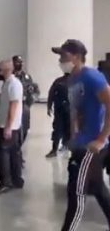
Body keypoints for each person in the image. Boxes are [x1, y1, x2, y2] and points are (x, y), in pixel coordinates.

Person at [51, 39, 110, 231]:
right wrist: (73, 135)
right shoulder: (72, 80)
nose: (61, 60)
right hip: (81, 143)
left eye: (64, 56)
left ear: (76, 57)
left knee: (75, 193)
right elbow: (75, 110)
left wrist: (101, 139)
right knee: (98, 189)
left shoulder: (92, 77)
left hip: (92, 146)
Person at [0, 60, 24, 195]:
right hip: (9, 126)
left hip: (8, 126)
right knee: (13, 154)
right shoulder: (8, 84)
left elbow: (14, 106)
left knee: (2, 154)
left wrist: (8, 126)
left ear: (7, 70)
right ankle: (16, 180)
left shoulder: (14, 84)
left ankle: (5, 182)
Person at [46, 69, 71, 158]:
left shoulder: (77, 81)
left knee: (69, 130)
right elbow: (51, 94)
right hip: (60, 110)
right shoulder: (59, 81)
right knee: (58, 130)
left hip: (71, 110)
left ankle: (66, 146)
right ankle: (54, 150)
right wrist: (49, 106)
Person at [13, 55, 38, 143]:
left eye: (21, 62)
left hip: (25, 104)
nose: (20, 64)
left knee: (25, 126)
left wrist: (32, 98)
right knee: (15, 127)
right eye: (17, 62)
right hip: (14, 104)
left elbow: (33, 88)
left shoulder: (26, 76)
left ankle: (20, 143)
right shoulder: (10, 76)